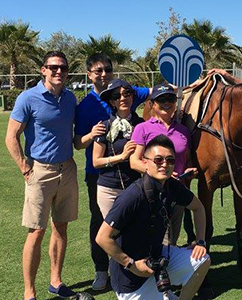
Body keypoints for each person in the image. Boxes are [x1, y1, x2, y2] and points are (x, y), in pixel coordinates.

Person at [96, 134, 210, 300]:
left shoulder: (172, 186)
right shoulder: (133, 195)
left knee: (202, 260)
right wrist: (131, 264)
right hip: (130, 279)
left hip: (156, 259)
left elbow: (198, 208)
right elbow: (102, 238)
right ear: (145, 162)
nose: (164, 164)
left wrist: (200, 241)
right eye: (158, 160)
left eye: (170, 160)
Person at [5, 51, 79, 300]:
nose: (59, 72)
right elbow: (11, 137)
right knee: (36, 232)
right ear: (43, 70)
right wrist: (25, 168)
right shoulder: (28, 98)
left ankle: (56, 281)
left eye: (63, 68)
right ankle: (29, 292)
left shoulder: (70, 99)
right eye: (53, 67)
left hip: (67, 169)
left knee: (61, 227)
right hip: (40, 170)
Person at [74, 54, 150, 291]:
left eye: (107, 69)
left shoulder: (128, 92)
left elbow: (158, 92)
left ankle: (135, 269)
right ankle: (101, 270)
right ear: (89, 74)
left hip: (132, 175)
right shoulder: (85, 106)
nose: (103, 74)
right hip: (99, 175)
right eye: (98, 71)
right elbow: (78, 143)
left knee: (133, 222)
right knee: (101, 223)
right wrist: (92, 134)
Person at [130, 83, 197, 245]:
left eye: (171, 99)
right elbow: (134, 161)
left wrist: (189, 170)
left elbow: (186, 159)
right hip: (153, 192)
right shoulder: (142, 128)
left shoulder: (183, 130)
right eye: (161, 100)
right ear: (152, 104)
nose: (167, 103)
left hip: (177, 192)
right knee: (157, 240)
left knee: (171, 240)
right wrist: (160, 173)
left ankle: (167, 269)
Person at [93, 78, 144, 217]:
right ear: (112, 101)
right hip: (108, 189)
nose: (123, 98)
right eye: (117, 96)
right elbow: (96, 161)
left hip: (136, 187)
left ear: (132, 97)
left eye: (127, 93)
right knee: (112, 236)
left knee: (135, 233)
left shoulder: (141, 125)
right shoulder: (104, 126)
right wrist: (122, 157)